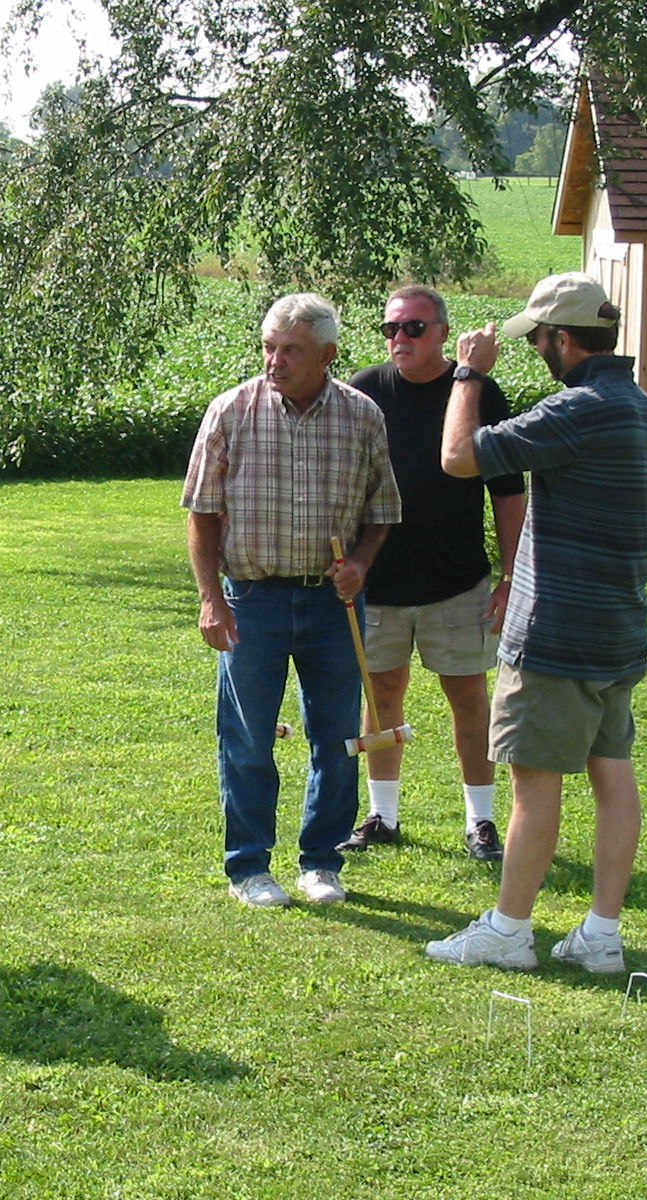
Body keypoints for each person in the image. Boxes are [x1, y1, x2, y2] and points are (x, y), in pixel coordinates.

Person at [425, 272, 647, 972]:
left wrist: (468, 376)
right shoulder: (646, 411)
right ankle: (601, 935)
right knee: (613, 777)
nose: (534, 349)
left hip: (555, 636)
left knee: (533, 786)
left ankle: (508, 931)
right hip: (618, 632)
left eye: (536, 338)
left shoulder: (577, 409)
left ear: (562, 339)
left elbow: (457, 457)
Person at [183, 293, 401, 908]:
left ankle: (321, 863)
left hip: (334, 606)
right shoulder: (231, 410)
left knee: (336, 738)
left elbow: (383, 510)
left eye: (290, 350)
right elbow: (201, 513)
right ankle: (249, 868)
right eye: (269, 348)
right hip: (251, 600)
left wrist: (360, 564)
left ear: (327, 355)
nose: (274, 360)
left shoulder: (362, 416)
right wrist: (211, 599)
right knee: (248, 738)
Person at [343, 285, 525, 861]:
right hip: (379, 582)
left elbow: (508, 491)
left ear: (443, 333)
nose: (400, 338)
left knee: (468, 696)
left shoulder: (478, 392)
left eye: (414, 328)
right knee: (382, 694)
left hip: (457, 581)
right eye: (391, 328)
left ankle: (481, 822)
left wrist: (511, 576)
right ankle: (383, 815)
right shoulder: (364, 390)